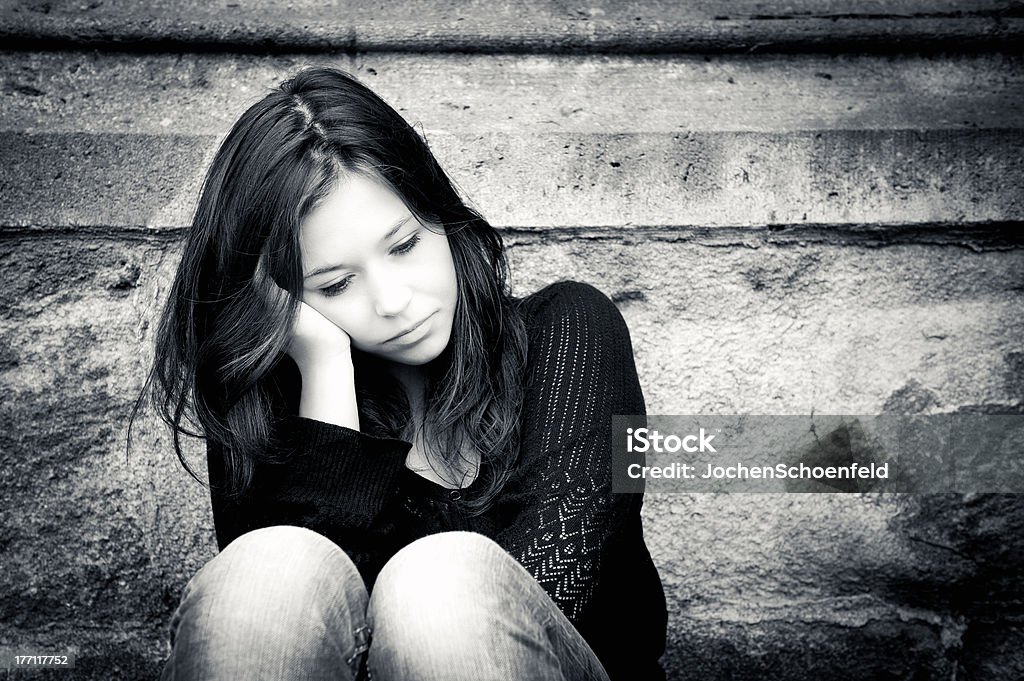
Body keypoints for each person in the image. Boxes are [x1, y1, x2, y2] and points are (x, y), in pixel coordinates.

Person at [142, 66, 666, 681]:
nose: (393, 301)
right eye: (335, 284)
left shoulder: (573, 329)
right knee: (272, 569)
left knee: (440, 582)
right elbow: (304, 635)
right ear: (282, 301)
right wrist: (325, 371)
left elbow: (558, 593)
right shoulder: (266, 407)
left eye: (404, 245)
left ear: (439, 215)